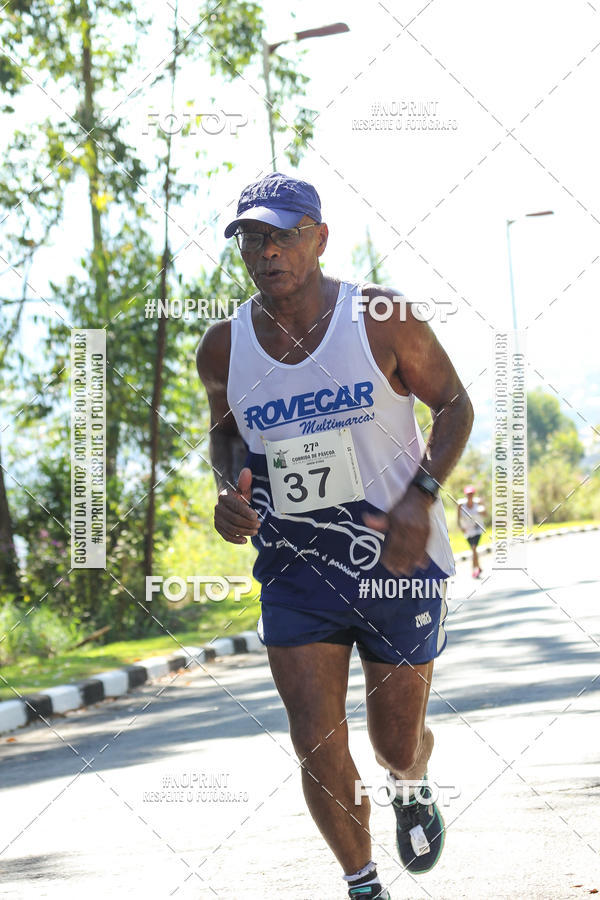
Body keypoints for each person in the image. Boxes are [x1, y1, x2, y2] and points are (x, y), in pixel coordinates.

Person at [196, 172, 474, 899]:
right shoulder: (224, 346)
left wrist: (421, 498)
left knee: (394, 741)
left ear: (319, 237)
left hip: (395, 556)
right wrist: (228, 491)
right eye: (252, 239)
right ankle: (362, 883)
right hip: (295, 569)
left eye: (282, 235)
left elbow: (455, 407)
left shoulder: (380, 317)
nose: (266, 252)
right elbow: (225, 438)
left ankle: (411, 780)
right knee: (317, 744)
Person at [457, 485, 486, 578]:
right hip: (468, 530)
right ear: (466, 495)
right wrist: (461, 527)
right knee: (473, 550)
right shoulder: (461, 505)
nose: (470, 496)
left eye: (471, 494)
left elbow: (485, 514)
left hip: (477, 529)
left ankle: (474, 570)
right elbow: (458, 518)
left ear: (473, 494)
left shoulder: (478, 503)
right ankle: (479, 567)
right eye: (468, 494)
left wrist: (482, 509)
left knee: (474, 548)